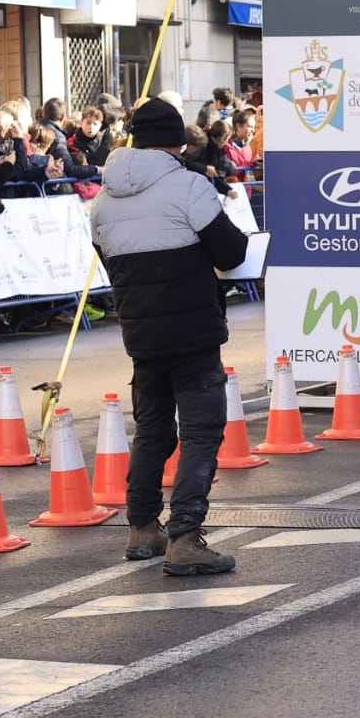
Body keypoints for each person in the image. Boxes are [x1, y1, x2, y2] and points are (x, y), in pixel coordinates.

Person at [89, 98, 249, 575]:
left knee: (153, 429)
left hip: (140, 332)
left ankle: (142, 529)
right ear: (177, 142)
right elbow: (232, 251)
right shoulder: (188, 187)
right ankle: (185, 535)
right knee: (201, 430)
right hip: (193, 331)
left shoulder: (101, 200)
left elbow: (109, 262)